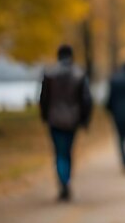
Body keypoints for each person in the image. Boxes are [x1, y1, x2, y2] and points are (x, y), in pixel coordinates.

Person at [39, 44, 92, 201]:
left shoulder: (49, 74)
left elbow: (44, 99)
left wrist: (45, 116)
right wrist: (84, 119)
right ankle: (65, 180)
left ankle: (63, 181)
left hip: (54, 120)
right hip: (72, 120)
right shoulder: (79, 74)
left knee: (59, 152)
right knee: (67, 151)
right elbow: (86, 100)